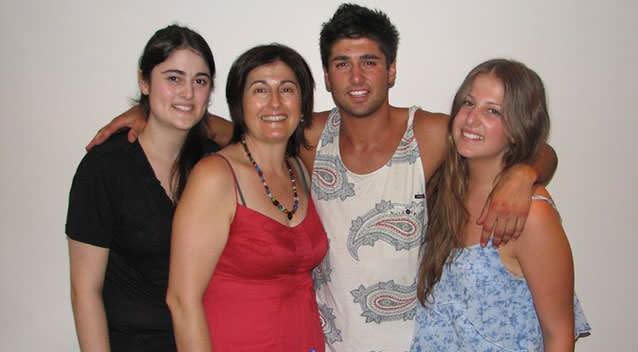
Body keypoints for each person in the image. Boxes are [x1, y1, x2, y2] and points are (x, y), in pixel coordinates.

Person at [86, 4, 557, 350]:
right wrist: (149, 112)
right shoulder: (309, 137)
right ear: (327, 79)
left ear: (391, 70)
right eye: (341, 64)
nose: (356, 76)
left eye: (369, 62)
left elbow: (523, 144)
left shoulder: (430, 133)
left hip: (417, 342)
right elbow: (251, 130)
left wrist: (524, 174)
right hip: (327, 343)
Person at [411, 59, 590, 351]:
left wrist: (525, 173)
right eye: (468, 103)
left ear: (520, 127)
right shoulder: (441, 193)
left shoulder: (532, 214)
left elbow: (559, 333)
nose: (471, 119)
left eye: (493, 111)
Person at [165, 44, 327, 352]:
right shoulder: (215, 177)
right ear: (239, 104)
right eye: (260, 90)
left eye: (288, 89)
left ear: (303, 103)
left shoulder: (300, 169)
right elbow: (181, 301)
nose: (275, 102)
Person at [65, 25, 218, 351]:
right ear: (144, 81)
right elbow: (85, 291)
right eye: (173, 78)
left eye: (200, 81)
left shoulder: (215, 164)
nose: (188, 93)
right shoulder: (105, 167)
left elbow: (264, 136)